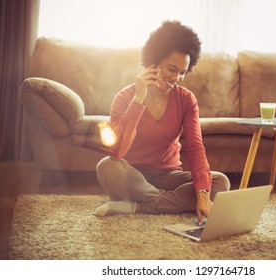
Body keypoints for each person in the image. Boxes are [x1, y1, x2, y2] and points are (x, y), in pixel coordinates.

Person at [94, 20, 230, 224]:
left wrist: (202, 194)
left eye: (183, 72)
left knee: (219, 182)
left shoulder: (186, 99)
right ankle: (168, 202)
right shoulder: (125, 98)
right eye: (172, 69)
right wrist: (138, 99)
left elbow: (195, 147)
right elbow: (117, 152)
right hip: (131, 175)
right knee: (106, 166)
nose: (177, 77)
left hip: (169, 176)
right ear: (154, 61)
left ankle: (137, 206)